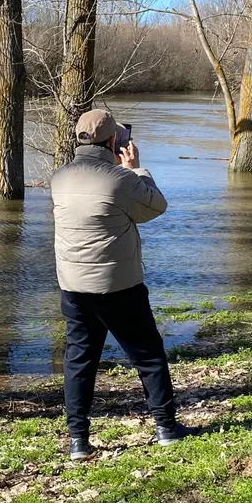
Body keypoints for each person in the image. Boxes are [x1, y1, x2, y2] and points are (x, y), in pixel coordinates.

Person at [51, 108, 194, 460]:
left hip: (73, 287)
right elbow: (155, 207)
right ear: (114, 140)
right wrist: (137, 169)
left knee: (79, 361)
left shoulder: (59, 178)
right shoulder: (120, 179)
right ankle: (165, 427)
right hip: (119, 287)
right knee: (147, 354)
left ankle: (78, 442)